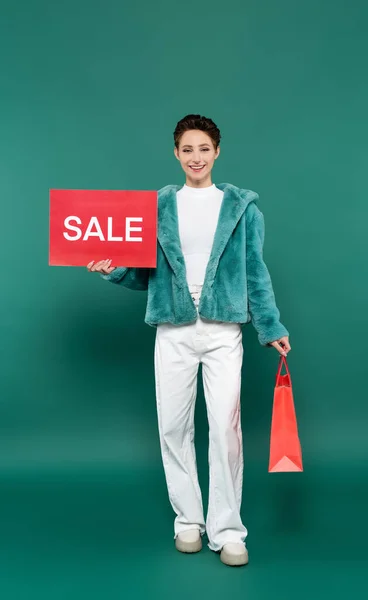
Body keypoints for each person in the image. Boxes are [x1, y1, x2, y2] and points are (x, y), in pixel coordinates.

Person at [87, 114, 291, 567]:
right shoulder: (157, 206)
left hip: (223, 331)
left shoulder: (242, 208)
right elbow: (145, 274)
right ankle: (188, 523)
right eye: (187, 149)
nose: (195, 157)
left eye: (203, 148)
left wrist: (271, 326)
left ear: (217, 151)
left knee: (225, 429)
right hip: (173, 329)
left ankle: (228, 529)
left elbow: (255, 273)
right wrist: (114, 270)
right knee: (173, 428)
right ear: (175, 154)